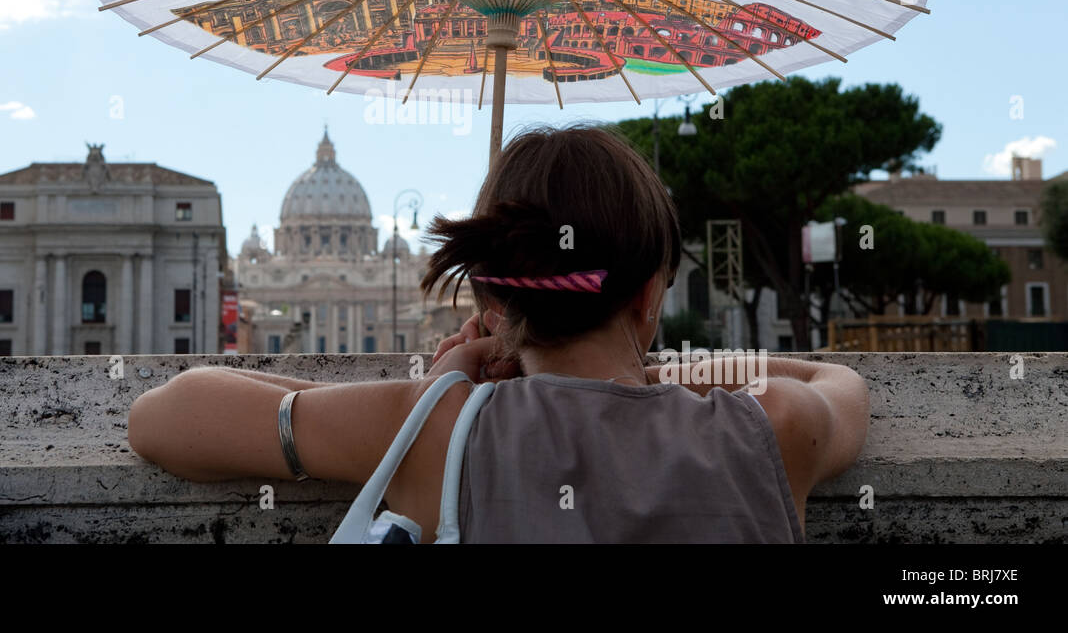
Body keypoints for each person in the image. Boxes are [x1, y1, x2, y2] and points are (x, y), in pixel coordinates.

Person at [128, 125, 870, 543]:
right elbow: (837, 383)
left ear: (490, 296)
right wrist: (652, 378)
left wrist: (433, 393)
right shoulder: (773, 425)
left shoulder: (436, 429)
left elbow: (164, 415)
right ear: (650, 295)